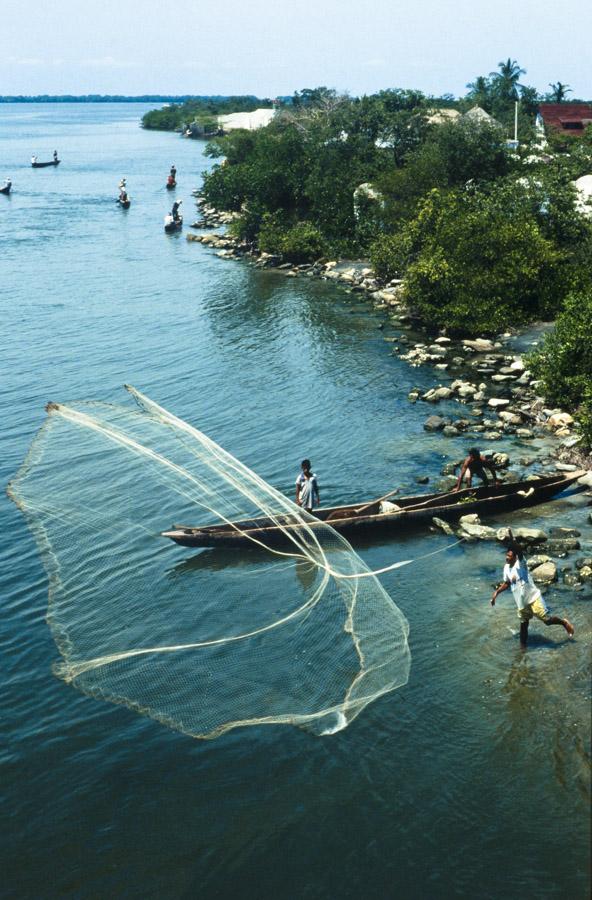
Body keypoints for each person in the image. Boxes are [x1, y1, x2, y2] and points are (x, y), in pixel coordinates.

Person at [490, 543, 574, 648]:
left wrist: (512, 539)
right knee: (523, 626)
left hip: (533, 598)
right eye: (506, 555)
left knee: (546, 620)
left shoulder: (521, 564)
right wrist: (496, 593)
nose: (507, 558)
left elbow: (520, 552)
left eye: (509, 556)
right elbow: (507, 582)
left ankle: (564, 623)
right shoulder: (506, 568)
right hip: (521, 602)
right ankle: (522, 650)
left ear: (515, 557)